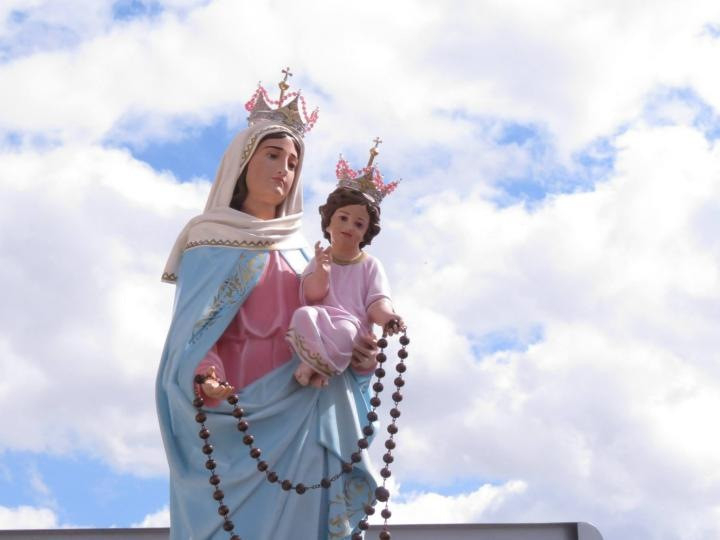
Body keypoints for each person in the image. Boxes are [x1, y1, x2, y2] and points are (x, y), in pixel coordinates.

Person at [155, 77, 379, 540]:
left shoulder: (303, 252)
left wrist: (359, 358)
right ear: (243, 161)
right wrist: (206, 374)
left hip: (302, 412)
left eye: (293, 163)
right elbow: (193, 334)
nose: (284, 170)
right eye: (273, 155)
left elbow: (334, 322)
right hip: (234, 411)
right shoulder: (206, 241)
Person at [287, 152, 403, 389]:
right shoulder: (320, 259)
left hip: (351, 324)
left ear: (366, 233)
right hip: (321, 317)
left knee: (345, 333)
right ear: (328, 222)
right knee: (303, 315)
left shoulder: (370, 265)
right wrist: (322, 272)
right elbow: (312, 295)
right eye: (343, 218)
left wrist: (388, 319)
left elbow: (377, 302)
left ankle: (315, 367)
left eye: (359, 224)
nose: (349, 227)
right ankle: (320, 366)